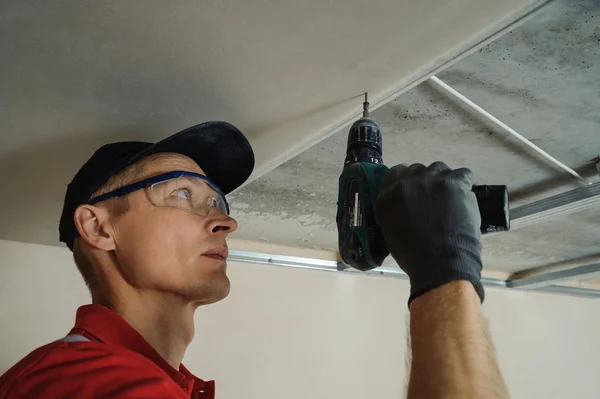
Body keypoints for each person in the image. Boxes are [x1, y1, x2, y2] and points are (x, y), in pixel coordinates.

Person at [0, 121, 508, 398]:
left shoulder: (146, 379)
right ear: (98, 227)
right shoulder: (86, 382)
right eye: (180, 194)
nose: (224, 222)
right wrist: (445, 272)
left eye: (217, 202)